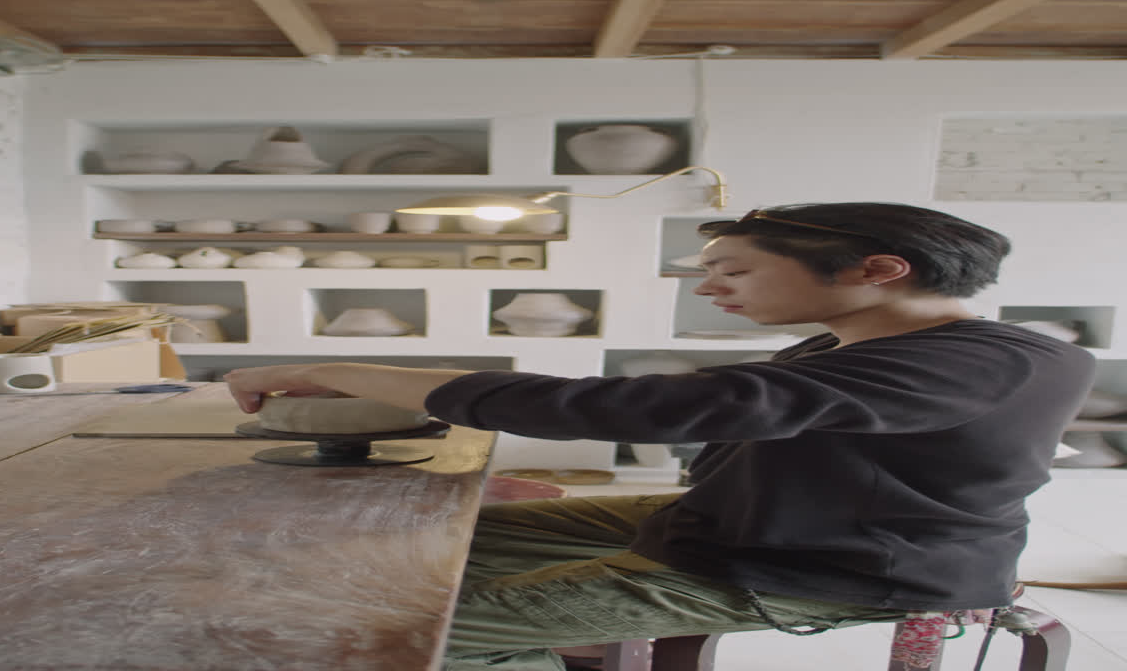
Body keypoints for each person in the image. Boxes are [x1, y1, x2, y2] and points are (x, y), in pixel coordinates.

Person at [224, 202, 1095, 670]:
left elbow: (640, 409)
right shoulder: (875, 346)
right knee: (411, 538)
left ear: (878, 270)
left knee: (380, 639)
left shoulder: (975, 364)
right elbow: (704, 418)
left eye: (735, 270)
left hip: (823, 568)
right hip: (748, 525)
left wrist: (344, 370)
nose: (711, 287)